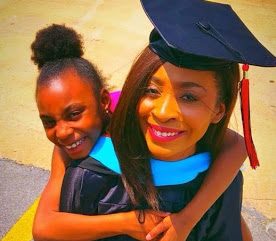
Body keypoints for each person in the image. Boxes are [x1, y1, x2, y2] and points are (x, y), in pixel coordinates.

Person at [31, 21, 250, 241]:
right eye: (152, 90)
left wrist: (186, 219)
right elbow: (44, 228)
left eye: (189, 97)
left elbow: (237, 145)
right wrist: (128, 222)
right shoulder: (81, 159)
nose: (164, 112)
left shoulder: (220, 179)